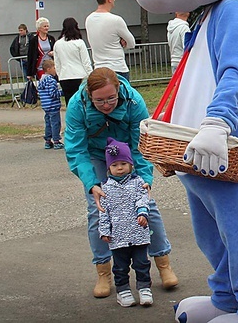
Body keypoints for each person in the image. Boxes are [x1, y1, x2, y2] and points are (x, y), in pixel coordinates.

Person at [64, 67, 178, 298]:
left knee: (146, 206)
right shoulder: (77, 105)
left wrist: (145, 180)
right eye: (99, 101)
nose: (106, 105)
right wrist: (91, 183)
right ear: (89, 94)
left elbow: (142, 143)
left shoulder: (134, 101)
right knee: (97, 210)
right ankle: (103, 271)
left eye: (111, 99)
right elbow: (76, 149)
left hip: (127, 154)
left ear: (118, 90)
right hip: (97, 156)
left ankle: (163, 263)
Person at [98, 137, 153, 308]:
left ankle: (144, 289)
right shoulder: (105, 188)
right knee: (120, 267)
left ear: (130, 165)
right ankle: (123, 291)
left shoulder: (138, 183)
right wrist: (105, 231)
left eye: (123, 164)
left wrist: (143, 212)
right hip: (118, 236)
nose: (119, 168)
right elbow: (103, 212)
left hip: (138, 232)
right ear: (109, 168)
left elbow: (143, 199)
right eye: (114, 165)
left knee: (142, 263)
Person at [85, 0, 137, 81]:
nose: (114, 0)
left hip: (99, 68)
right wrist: (123, 43)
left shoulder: (89, 19)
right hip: (117, 68)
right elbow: (132, 43)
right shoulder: (116, 20)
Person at [53, 17, 93, 105]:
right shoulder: (79, 42)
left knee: (70, 103)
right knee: (83, 102)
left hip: (65, 76)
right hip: (80, 76)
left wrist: (60, 75)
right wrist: (91, 75)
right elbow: (86, 62)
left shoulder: (57, 44)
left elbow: (57, 63)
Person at [37, 59, 63, 150]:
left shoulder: (41, 80)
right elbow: (53, 94)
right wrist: (62, 92)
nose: (55, 70)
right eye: (54, 68)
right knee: (56, 123)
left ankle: (48, 141)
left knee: (48, 123)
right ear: (48, 69)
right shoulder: (51, 81)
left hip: (46, 106)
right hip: (53, 105)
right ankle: (56, 141)